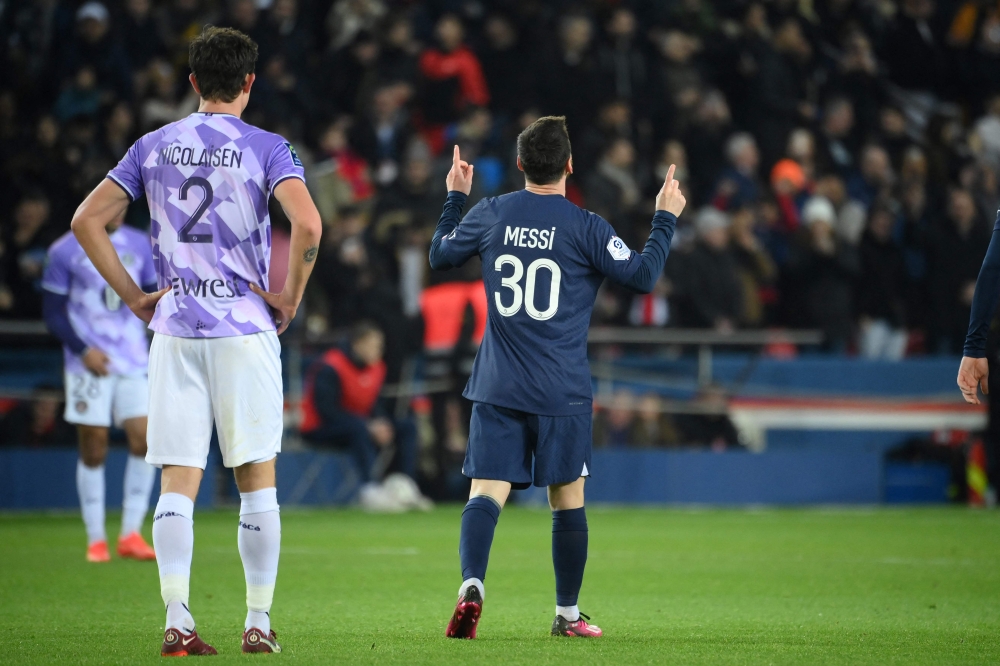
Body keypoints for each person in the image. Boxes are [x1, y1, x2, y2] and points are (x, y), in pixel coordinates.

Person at [69, 26, 322, 656]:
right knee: (256, 479)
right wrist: (288, 295)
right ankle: (258, 622)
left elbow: (85, 221)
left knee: (178, 478)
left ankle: (178, 620)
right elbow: (309, 222)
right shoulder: (267, 148)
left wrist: (133, 296)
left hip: (176, 326)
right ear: (249, 83)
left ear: (191, 83)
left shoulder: (152, 145)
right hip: (244, 328)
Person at [428, 116, 686, 639]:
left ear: (520, 164)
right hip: (561, 391)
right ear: (570, 165)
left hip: (497, 384)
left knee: (486, 491)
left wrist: (455, 197)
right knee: (567, 500)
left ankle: (472, 583)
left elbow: (440, 254)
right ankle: (567, 616)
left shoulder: (492, 213)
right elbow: (642, 276)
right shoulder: (586, 226)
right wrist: (664, 218)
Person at [42, 212, 158, 563]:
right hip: (87, 365)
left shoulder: (140, 244)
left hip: (134, 360)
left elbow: (153, 298)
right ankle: (96, 539)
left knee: (145, 440)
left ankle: (131, 534)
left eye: (123, 203)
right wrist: (82, 350)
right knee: (94, 446)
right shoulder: (64, 249)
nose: (117, 210)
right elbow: (53, 312)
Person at [300, 321, 431, 511]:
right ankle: (370, 489)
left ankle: (406, 485)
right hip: (320, 428)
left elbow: (374, 405)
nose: (379, 350)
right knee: (358, 429)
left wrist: (380, 423)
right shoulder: (330, 366)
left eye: (380, 345)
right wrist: (368, 425)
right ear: (357, 344)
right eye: (374, 345)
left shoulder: (377, 368)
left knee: (407, 426)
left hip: (360, 425)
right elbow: (327, 410)